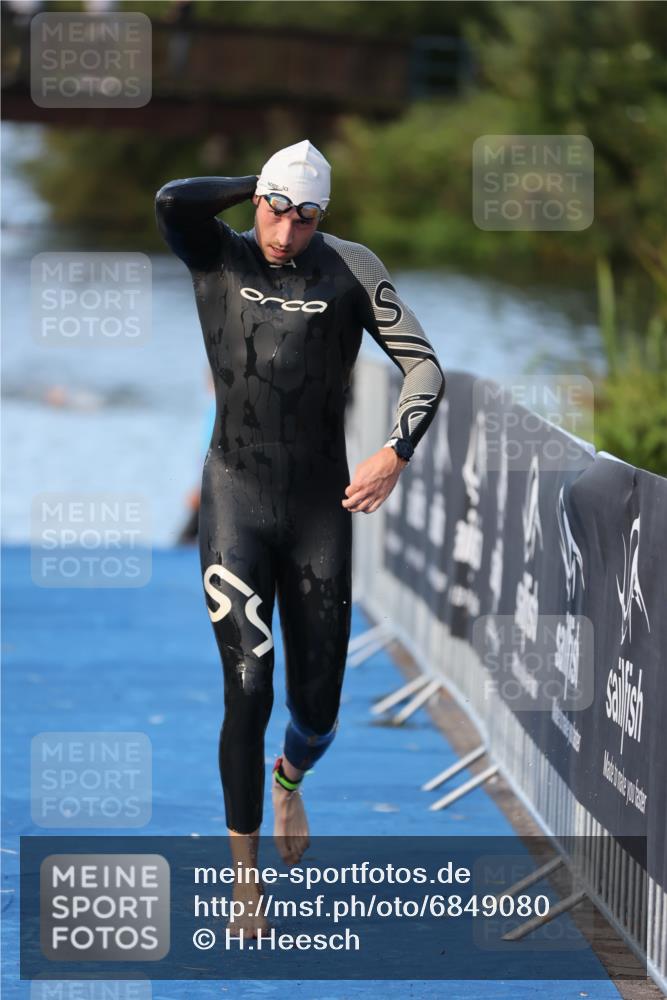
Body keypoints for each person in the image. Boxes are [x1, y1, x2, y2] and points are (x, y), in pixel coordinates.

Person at [155, 139, 445, 935]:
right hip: (235, 497)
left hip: (320, 507)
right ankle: (243, 875)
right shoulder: (217, 252)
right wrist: (263, 181)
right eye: (278, 210)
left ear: (325, 217)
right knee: (247, 686)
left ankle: (290, 780)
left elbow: (424, 367)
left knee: (317, 710)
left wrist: (394, 450)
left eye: (306, 215)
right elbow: (172, 198)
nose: (287, 230)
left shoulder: (350, 267)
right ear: (258, 202)